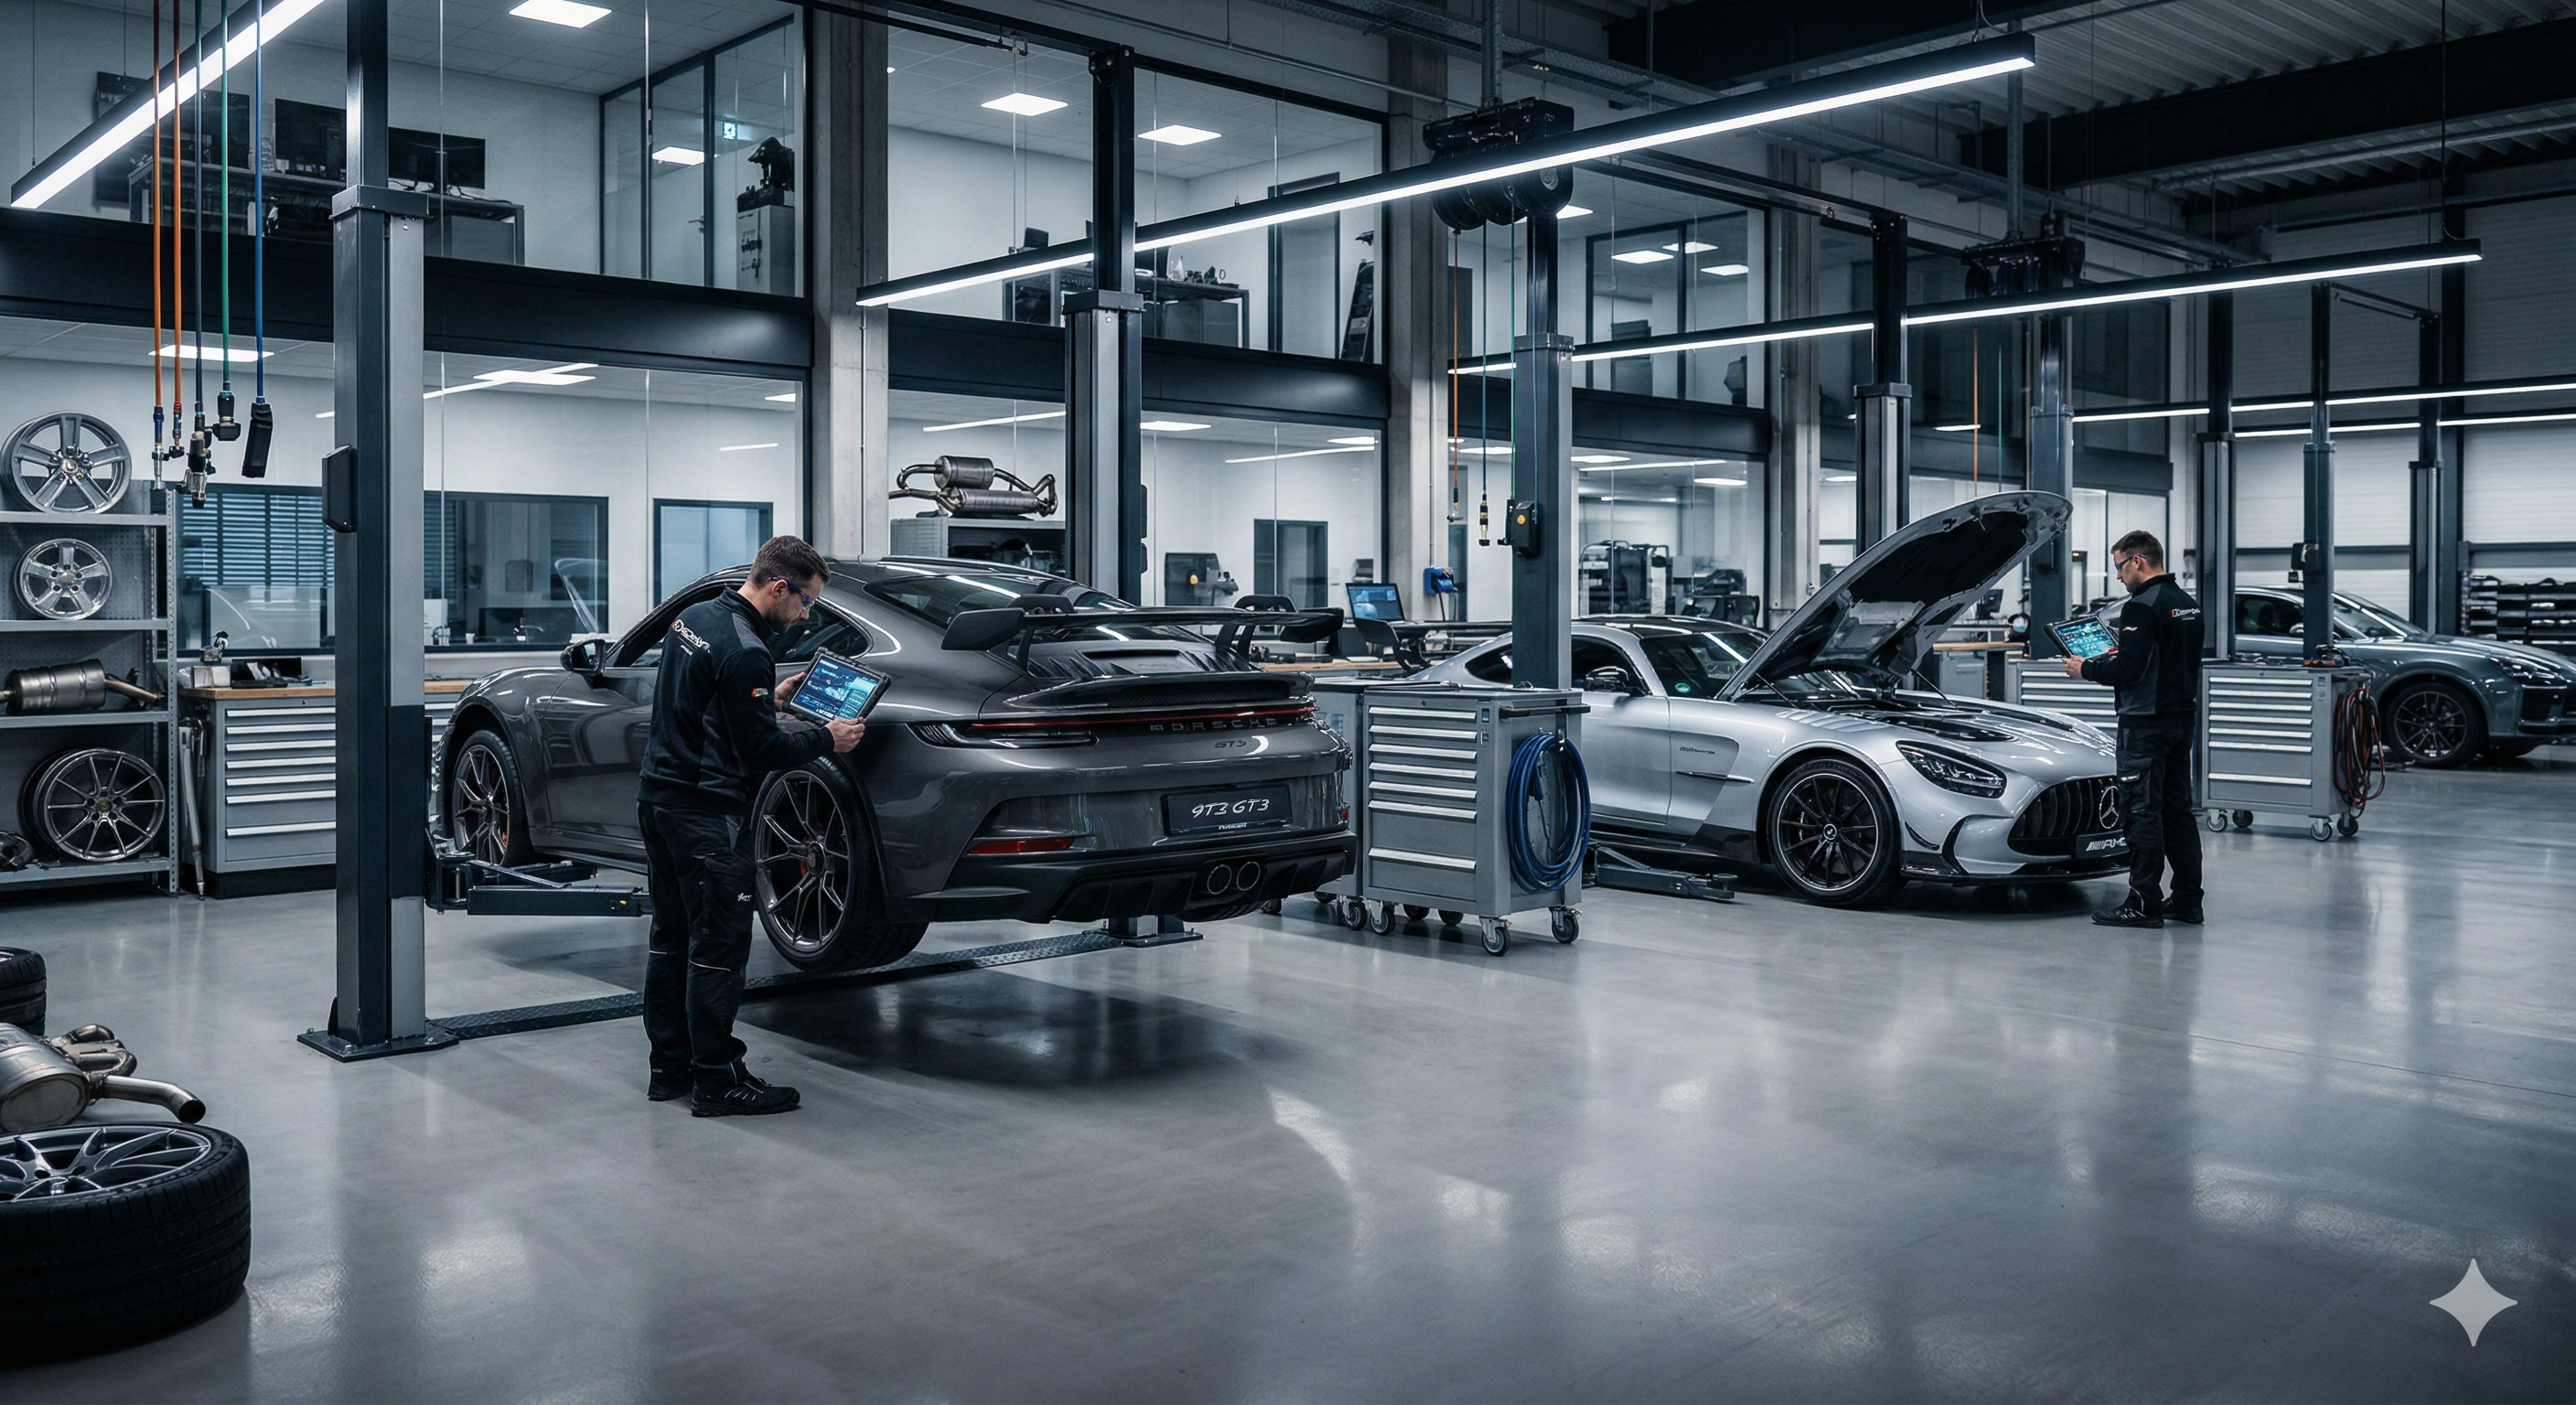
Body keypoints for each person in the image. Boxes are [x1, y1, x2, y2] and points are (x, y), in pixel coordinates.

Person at [637, 536, 863, 1116]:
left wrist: (772, 703)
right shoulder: (747, 651)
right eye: (807, 602)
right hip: (707, 817)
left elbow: (705, 705)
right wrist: (827, 738)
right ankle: (717, 1082)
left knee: (672, 939)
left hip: (659, 801)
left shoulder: (696, 617)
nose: (806, 615)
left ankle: (670, 1070)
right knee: (719, 948)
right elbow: (762, 751)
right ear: (779, 587)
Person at [2061, 529, 2206, 929]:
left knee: (2141, 812)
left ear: (2137, 561)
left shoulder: (2140, 606)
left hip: (2144, 725)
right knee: (2177, 812)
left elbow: (2129, 671)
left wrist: (2086, 668)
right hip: (2181, 721)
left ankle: (2143, 902)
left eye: (2120, 567)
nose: (2119, 576)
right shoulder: (2187, 604)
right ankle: (2187, 900)